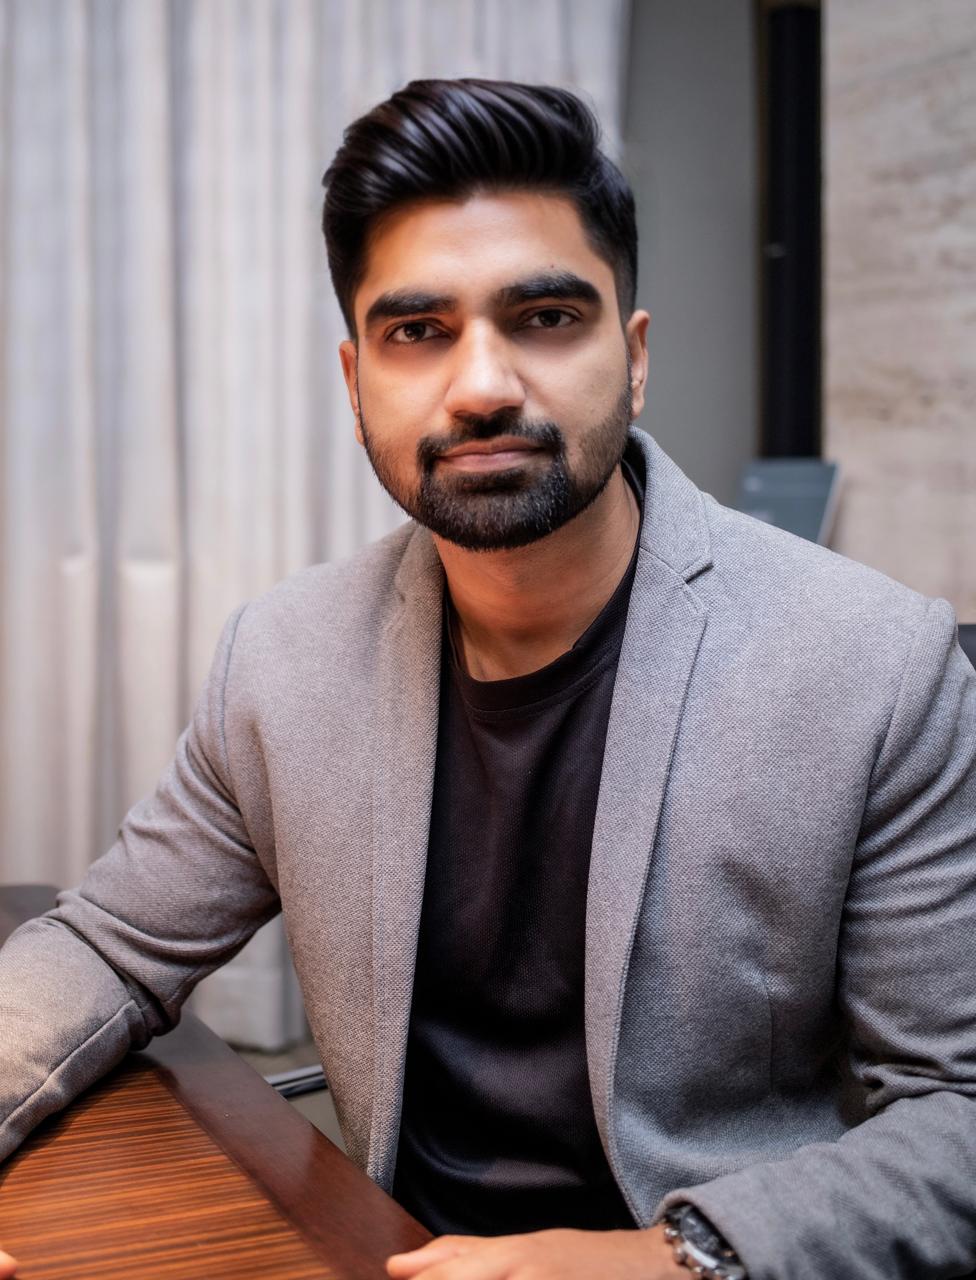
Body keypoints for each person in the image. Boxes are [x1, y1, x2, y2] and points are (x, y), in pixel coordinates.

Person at [1, 78, 975, 1280]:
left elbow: (958, 1108)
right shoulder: (284, 656)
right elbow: (107, 946)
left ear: (633, 358)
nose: (481, 386)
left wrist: (665, 1258)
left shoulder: (872, 665)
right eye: (418, 331)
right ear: (355, 383)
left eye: (545, 316)